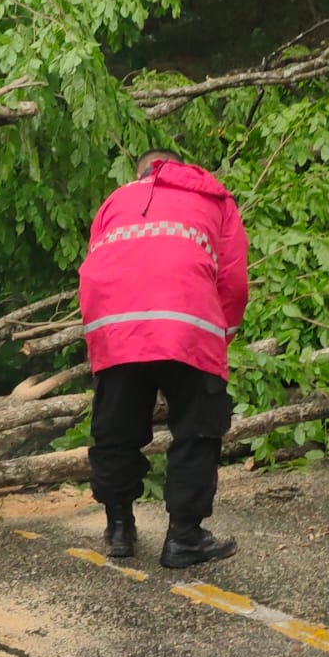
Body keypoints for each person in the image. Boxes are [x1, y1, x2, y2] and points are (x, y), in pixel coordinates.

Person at [79, 149, 248, 569]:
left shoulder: (115, 200)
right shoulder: (214, 198)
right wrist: (221, 335)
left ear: (141, 173)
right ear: (183, 170)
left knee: (115, 430)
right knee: (197, 429)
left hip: (114, 323)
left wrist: (102, 338)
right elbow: (233, 279)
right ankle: (184, 538)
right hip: (187, 320)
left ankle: (119, 529)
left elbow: (96, 263)